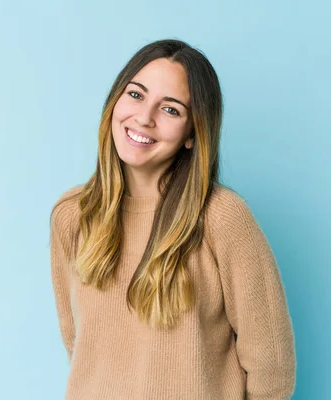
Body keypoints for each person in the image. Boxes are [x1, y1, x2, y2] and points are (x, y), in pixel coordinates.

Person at [50, 38, 296, 399]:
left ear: (192, 135)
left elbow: (272, 365)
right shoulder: (73, 215)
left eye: (171, 110)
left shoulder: (221, 218)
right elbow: (78, 344)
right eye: (135, 95)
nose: (144, 118)